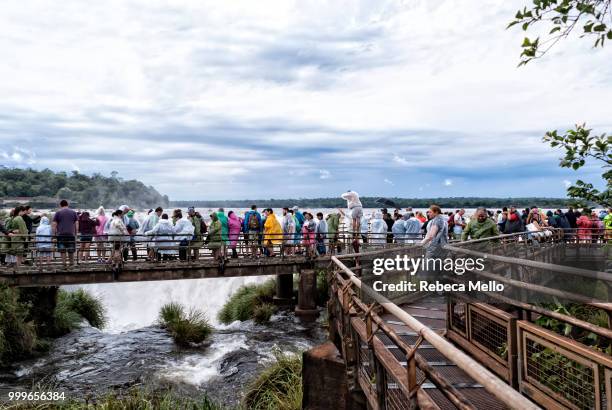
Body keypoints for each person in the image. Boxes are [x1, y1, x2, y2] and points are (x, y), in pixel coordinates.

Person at [52, 200, 78, 267]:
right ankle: (71, 264)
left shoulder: (58, 212)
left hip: (61, 234)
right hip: (71, 234)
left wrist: (54, 235)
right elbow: (77, 223)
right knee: (71, 250)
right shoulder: (73, 212)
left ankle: (64, 264)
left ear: (60, 205)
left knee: (62, 250)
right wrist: (76, 233)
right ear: (67, 204)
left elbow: (54, 224)